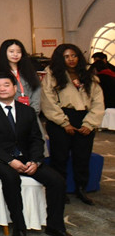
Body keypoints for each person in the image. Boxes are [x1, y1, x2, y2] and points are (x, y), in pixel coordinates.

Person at [0, 72, 81, 236]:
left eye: (6, 85)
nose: (2, 89)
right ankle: (19, 227)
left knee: (57, 181)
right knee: (11, 178)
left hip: (26, 158)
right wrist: (10, 161)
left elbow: (36, 139)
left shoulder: (27, 111)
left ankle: (56, 227)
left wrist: (35, 161)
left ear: (14, 88)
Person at [41, 44, 104, 206]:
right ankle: (59, 191)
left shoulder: (88, 75)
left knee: (82, 157)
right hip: (60, 120)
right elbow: (48, 101)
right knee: (59, 158)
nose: (71, 59)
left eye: (74, 55)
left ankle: (81, 189)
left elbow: (98, 102)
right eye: (67, 56)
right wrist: (64, 123)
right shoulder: (52, 75)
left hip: (84, 119)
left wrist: (90, 124)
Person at [0, 39, 41, 115]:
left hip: (31, 112)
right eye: (11, 51)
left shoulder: (29, 70)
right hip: (8, 114)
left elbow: (37, 90)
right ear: (4, 53)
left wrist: (33, 111)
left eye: (18, 52)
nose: (15, 54)